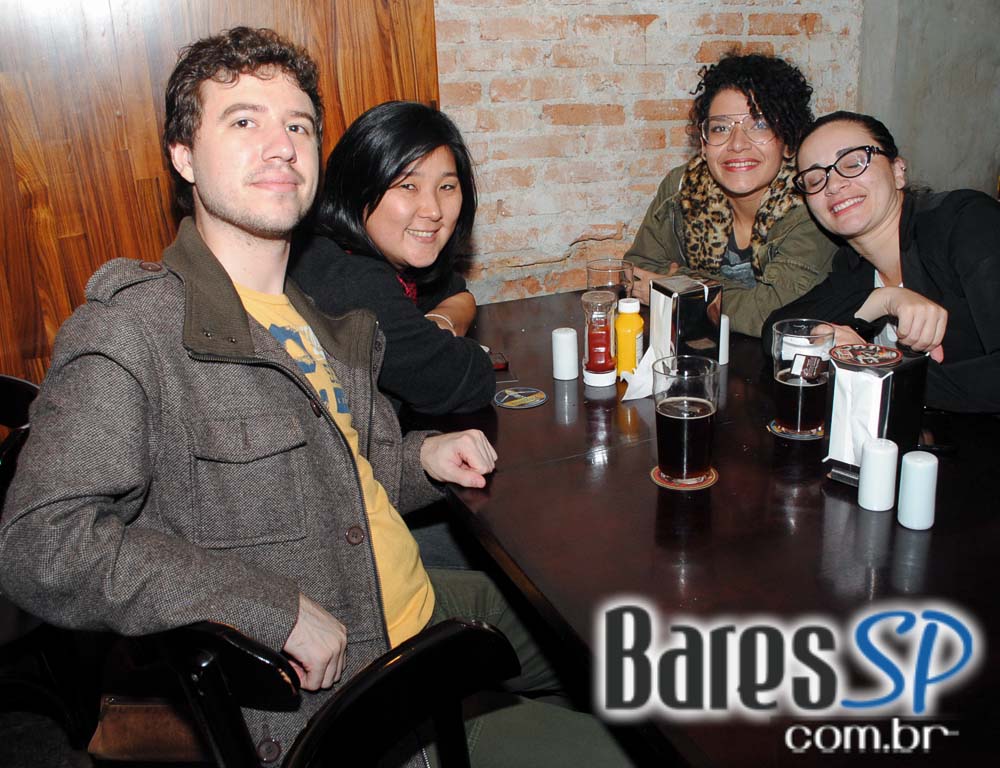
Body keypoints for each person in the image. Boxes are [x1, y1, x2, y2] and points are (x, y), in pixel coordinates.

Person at [0, 27, 632, 766]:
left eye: (298, 126)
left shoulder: (318, 318)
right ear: (183, 155)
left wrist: (422, 457)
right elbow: (38, 542)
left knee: (609, 652)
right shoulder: (134, 329)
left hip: (412, 606)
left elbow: (338, 473)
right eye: (244, 121)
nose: (281, 146)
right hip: (367, 708)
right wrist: (266, 609)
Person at [764, 111, 1000, 413]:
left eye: (853, 164)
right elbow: (776, 333)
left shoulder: (965, 223)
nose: (833, 185)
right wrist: (884, 299)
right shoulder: (854, 265)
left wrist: (876, 367)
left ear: (898, 170)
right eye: (815, 179)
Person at [291, 101, 494, 415]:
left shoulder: (385, 255)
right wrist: (446, 345)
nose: (433, 210)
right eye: (408, 186)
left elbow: (457, 294)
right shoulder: (348, 279)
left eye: (447, 186)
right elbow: (467, 380)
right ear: (358, 189)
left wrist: (439, 323)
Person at [625, 53, 837, 337]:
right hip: (697, 351)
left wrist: (680, 285)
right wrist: (732, 299)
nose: (737, 144)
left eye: (759, 125)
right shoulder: (683, 189)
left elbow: (772, 314)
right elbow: (637, 271)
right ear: (704, 145)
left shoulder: (812, 204)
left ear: (788, 140)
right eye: (721, 128)